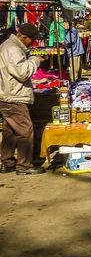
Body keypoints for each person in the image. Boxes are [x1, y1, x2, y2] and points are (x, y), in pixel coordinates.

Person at [0, 24, 47, 176]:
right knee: (25, 131)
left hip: (8, 94)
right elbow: (22, 72)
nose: (33, 43)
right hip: (13, 96)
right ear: (24, 38)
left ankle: (7, 162)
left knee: (10, 131)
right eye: (32, 40)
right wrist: (35, 60)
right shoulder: (13, 49)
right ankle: (24, 166)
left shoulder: (9, 46)